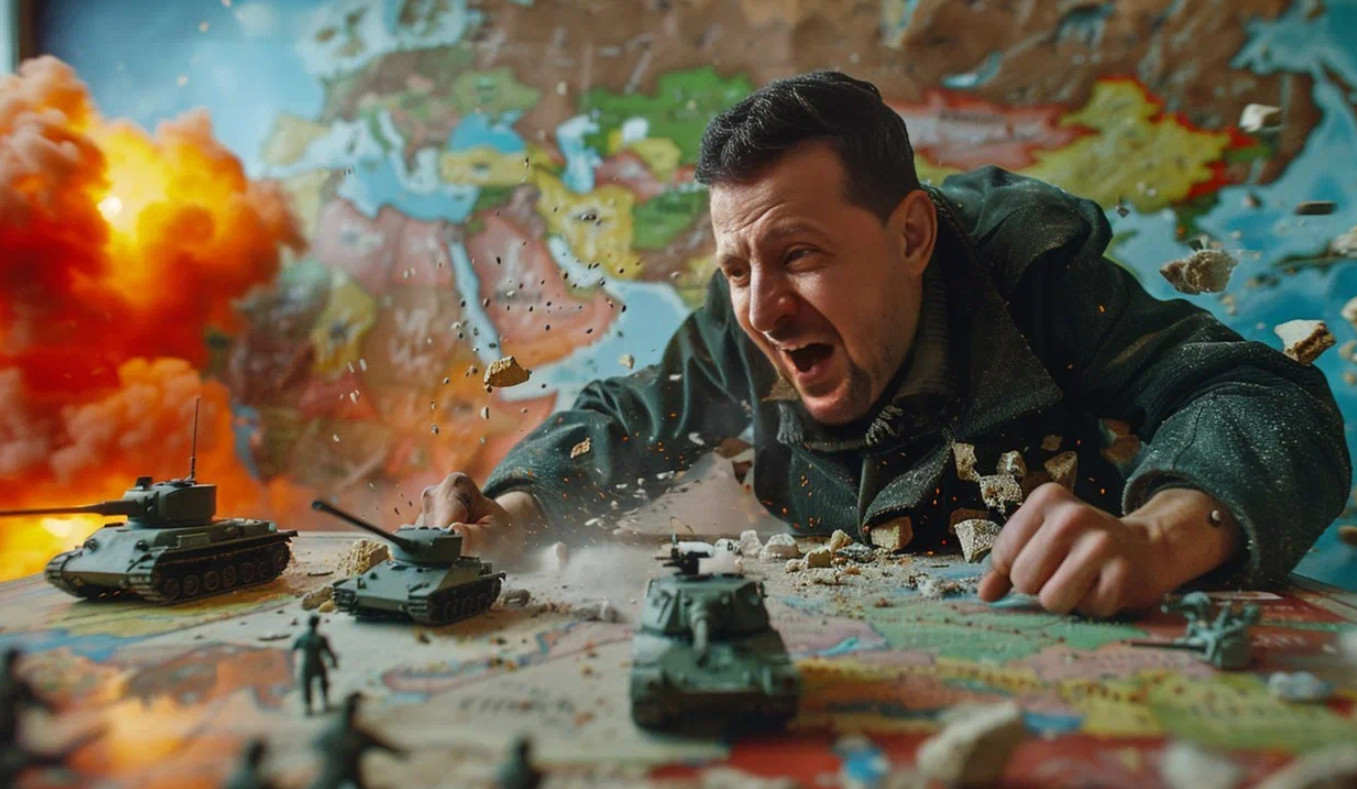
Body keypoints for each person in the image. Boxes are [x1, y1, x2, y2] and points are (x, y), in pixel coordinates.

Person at [418, 71, 1350, 619]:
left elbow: (1264, 398)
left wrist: (1152, 539)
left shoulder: (1029, 274)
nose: (762, 309)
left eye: (799, 255)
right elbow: (623, 418)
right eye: (737, 267)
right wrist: (512, 513)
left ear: (910, 235)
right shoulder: (743, 315)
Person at [292, 615, 338, 716]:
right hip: (318, 663)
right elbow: (329, 652)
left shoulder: (302, 637)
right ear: (317, 624)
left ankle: (308, 708)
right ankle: (326, 704)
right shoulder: (321, 638)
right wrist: (334, 663)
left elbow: (294, 648)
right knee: (323, 683)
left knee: (307, 686)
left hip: (307, 664)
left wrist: (293, 663)